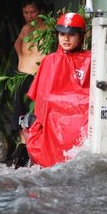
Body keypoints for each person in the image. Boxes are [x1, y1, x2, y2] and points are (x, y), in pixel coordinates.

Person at [24, 12, 91, 167]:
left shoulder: (91, 59)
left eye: (71, 34)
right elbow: (41, 102)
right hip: (52, 123)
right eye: (62, 34)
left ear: (81, 36)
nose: (66, 39)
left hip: (81, 124)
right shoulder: (49, 61)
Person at [6, 0, 47, 167]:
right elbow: (17, 42)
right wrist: (21, 56)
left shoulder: (47, 28)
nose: (29, 16)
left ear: (41, 12)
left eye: (32, 12)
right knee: (19, 115)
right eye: (25, 12)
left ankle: (35, 152)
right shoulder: (25, 28)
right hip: (22, 76)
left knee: (36, 116)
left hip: (38, 78)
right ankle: (22, 149)